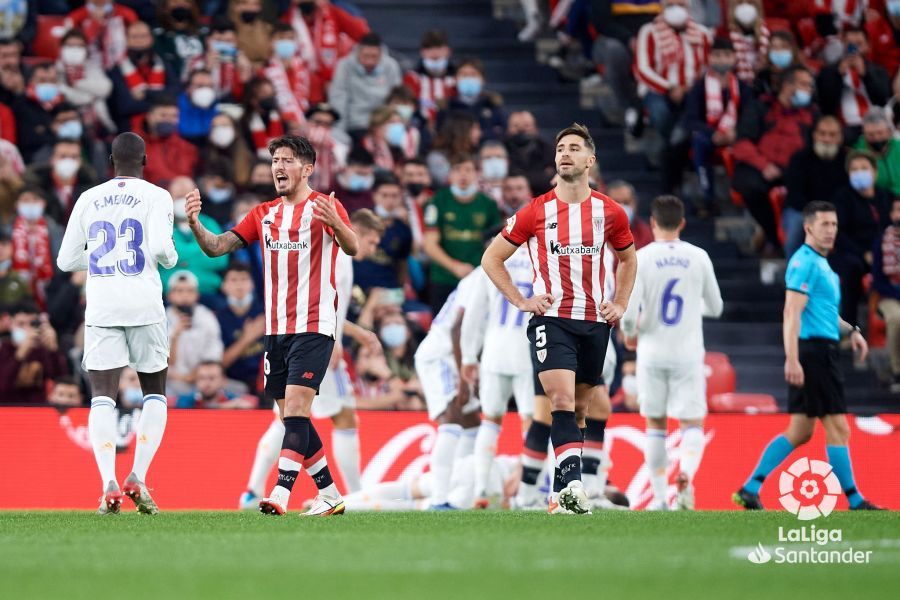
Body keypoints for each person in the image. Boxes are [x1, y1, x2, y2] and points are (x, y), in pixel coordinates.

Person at [185, 134, 359, 516]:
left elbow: (353, 248)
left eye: (287, 160)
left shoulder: (325, 207)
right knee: (290, 416)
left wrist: (339, 225)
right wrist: (196, 224)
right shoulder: (263, 213)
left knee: (296, 409)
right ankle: (329, 493)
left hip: (314, 324)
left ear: (307, 169)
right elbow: (217, 247)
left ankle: (280, 493)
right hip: (276, 328)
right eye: (275, 160)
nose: (278, 166)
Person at [481, 123, 637, 514]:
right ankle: (572, 493)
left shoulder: (610, 211)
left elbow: (628, 258)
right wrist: (520, 299)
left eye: (573, 148)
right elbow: (491, 258)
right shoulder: (536, 210)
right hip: (551, 320)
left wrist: (619, 302)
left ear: (590, 160)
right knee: (561, 401)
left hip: (595, 322)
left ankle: (559, 492)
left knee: (581, 409)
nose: (564, 153)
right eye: (560, 148)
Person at [55, 132, 178, 515]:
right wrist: (170, 260)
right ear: (144, 161)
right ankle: (137, 476)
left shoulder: (88, 198)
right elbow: (159, 249)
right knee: (154, 391)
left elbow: (65, 260)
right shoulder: (157, 196)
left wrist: (97, 263)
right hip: (143, 304)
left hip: (103, 306)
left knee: (102, 396)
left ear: (111, 160)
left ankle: (108, 481)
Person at [734, 201, 883, 512]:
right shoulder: (804, 262)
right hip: (814, 353)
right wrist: (792, 358)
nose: (830, 231)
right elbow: (791, 312)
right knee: (839, 428)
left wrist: (852, 331)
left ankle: (750, 488)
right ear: (808, 227)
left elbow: (825, 313)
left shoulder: (821, 264)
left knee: (801, 431)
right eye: (824, 224)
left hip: (821, 348)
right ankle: (856, 501)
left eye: (834, 225)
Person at [239, 209, 384, 508]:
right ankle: (353, 495)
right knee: (333, 417)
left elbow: (327, 304)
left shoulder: (333, 254)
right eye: (370, 240)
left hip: (311, 337)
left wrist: (354, 333)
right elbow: (327, 304)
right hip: (321, 345)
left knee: (289, 417)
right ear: (352, 228)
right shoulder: (341, 258)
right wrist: (333, 343)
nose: (371, 248)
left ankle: (253, 490)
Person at [620, 195, 723, 510]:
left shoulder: (642, 257)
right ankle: (687, 478)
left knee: (655, 424)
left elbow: (628, 312)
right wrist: (694, 306)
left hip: (652, 351)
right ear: (682, 223)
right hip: (688, 353)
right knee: (691, 423)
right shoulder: (699, 256)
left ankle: (660, 497)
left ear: (652, 223)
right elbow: (716, 308)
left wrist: (630, 336)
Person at [460, 242, 534, 509]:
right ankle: (528, 492)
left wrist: (469, 356)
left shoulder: (493, 260)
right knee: (532, 422)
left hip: (494, 350)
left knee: (490, 420)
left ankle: (482, 488)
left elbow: (475, 313)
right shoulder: (543, 260)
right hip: (529, 351)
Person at [414, 268, 482, 509]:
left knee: (472, 421)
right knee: (451, 416)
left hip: (457, 355)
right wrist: (464, 379)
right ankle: (439, 498)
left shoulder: (485, 276)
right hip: (441, 354)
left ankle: (458, 492)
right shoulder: (482, 278)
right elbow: (456, 328)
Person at [732, 65, 816, 255]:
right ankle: (772, 237)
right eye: (804, 85)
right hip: (763, 166)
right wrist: (764, 166)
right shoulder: (760, 107)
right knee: (749, 185)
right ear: (787, 86)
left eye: (810, 86)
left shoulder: (812, 115)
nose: (809, 90)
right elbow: (742, 142)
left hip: (795, 170)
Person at [634, 0, 712, 191]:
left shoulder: (702, 33)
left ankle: (672, 158)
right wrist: (670, 87)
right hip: (658, 90)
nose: (676, 9)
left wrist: (690, 90)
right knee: (661, 113)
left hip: (692, 92)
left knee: (691, 118)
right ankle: (676, 156)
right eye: (671, 5)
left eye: (681, 4)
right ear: (662, 7)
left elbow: (707, 68)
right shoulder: (649, 31)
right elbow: (642, 69)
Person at [424, 154, 502, 314]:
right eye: (457, 170)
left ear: (477, 174)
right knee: (441, 332)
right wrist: (454, 266)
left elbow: (495, 243)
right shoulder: (437, 201)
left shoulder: (488, 204)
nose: (463, 174)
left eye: (468, 169)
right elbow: (429, 244)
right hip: (444, 278)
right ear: (450, 174)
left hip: (479, 278)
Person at [684, 37, 753, 214]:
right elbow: (691, 119)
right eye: (717, 55)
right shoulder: (699, 87)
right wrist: (712, 132)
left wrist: (735, 132)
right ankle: (708, 199)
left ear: (734, 58)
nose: (722, 60)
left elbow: (750, 118)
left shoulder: (743, 88)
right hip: (708, 135)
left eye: (726, 55)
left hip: (736, 135)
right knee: (699, 142)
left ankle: (743, 198)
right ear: (710, 58)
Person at [828, 151, 891, 326]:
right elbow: (838, 234)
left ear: (874, 171)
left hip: (883, 250)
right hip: (852, 252)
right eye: (854, 169)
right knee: (851, 269)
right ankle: (849, 326)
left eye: (864, 168)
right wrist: (864, 253)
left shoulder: (885, 196)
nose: (859, 172)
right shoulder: (842, 197)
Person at [784, 116, 849, 258]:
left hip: (837, 211)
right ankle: (795, 274)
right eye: (822, 133)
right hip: (803, 211)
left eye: (832, 134)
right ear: (814, 135)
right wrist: (816, 215)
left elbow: (847, 194)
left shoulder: (847, 160)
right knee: (796, 228)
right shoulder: (799, 159)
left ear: (840, 137)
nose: (826, 139)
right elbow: (795, 194)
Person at [816, 26, 891, 140]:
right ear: (843, 44)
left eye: (859, 44)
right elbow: (826, 104)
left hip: (875, 124)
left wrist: (866, 75)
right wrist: (837, 75)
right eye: (850, 44)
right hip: (845, 126)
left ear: (867, 46)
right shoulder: (828, 71)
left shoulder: (879, 71)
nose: (854, 48)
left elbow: (882, 99)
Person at [106, 20, 179, 133]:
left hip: (167, 125)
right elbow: (126, 106)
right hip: (130, 131)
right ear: (127, 40)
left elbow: (175, 93)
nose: (139, 41)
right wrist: (161, 100)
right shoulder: (117, 70)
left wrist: (146, 93)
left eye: (143, 36)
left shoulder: (164, 64)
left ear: (151, 39)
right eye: (134, 37)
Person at [329, 32, 402, 136]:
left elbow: (396, 99)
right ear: (358, 53)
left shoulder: (391, 66)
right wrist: (339, 132)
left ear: (381, 54)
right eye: (366, 56)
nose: (370, 62)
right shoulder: (344, 66)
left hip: (383, 125)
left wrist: (394, 124)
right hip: (355, 125)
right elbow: (339, 99)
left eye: (374, 57)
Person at [166, 270, 224, 397]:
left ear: (197, 295)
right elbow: (162, 362)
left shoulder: (207, 317)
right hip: (171, 382)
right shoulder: (160, 319)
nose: (185, 296)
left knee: (239, 390)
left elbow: (215, 356)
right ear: (169, 295)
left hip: (203, 380)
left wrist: (195, 375)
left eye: (189, 291)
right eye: (179, 291)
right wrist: (175, 336)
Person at [166, 176, 228, 296]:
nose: (183, 202)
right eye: (179, 197)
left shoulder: (210, 223)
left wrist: (180, 258)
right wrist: (202, 251)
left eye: (187, 197)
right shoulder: (161, 224)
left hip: (207, 293)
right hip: (169, 295)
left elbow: (221, 260)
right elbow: (158, 258)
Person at [353, 176, 412, 294]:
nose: (389, 201)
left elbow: (402, 265)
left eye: (394, 196)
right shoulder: (359, 221)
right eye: (384, 195)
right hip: (356, 289)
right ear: (375, 196)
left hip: (388, 290)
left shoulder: (403, 229)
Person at [0, 303, 68, 404]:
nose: (27, 329)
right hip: (7, 410)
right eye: (21, 324)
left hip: (37, 410)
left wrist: (53, 349)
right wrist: (20, 354)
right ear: (11, 324)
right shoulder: (3, 349)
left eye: (31, 324)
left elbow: (62, 380)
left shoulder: (41, 351)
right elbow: (3, 385)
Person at [216, 262, 265, 393]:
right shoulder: (218, 318)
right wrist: (247, 338)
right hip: (231, 383)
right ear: (224, 286)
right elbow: (220, 363)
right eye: (233, 280)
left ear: (252, 284)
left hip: (265, 380)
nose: (239, 285)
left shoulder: (265, 314)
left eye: (244, 279)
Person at [438, 57, 506, 141]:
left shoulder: (492, 104)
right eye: (464, 75)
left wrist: (481, 135)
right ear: (455, 79)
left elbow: (501, 132)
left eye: (473, 75)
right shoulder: (447, 106)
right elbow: (441, 134)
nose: (468, 78)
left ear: (483, 79)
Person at [872, 197, 900, 392]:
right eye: (898, 210)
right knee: (897, 318)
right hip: (888, 295)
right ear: (891, 215)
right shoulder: (882, 241)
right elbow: (878, 280)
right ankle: (897, 371)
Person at [139, 96, 199, 187]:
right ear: (149, 117)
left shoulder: (188, 148)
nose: (168, 120)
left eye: (174, 116)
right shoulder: (136, 148)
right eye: (163, 115)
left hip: (182, 197)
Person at [403, 29, 456, 127]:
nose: (435, 53)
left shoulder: (457, 78)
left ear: (448, 51)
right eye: (429, 48)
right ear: (422, 52)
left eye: (439, 47)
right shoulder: (412, 78)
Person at [854, 107, 900, 196]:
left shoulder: (898, 147)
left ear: (888, 131)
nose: (876, 138)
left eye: (880, 133)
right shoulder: (858, 154)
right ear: (864, 134)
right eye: (870, 134)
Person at [175, 361, 258, 409]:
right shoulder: (185, 400)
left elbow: (247, 406)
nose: (207, 383)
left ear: (223, 381)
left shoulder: (231, 398)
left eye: (212, 378)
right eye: (202, 378)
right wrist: (224, 407)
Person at [726, 0, 769, 84]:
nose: (745, 7)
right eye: (740, 3)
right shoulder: (725, 34)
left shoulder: (766, 33)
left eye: (750, 3)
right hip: (737, 83)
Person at [607, 180, 653, 249]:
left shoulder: (646, 233)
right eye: (616, 203)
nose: (622, 208)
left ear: (635, 203)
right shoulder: (596, 234)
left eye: (626, 203)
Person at [177, 68, 218, 145]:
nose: (205, 90)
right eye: (200, 86)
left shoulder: (218, 110)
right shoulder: (175, 108)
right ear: (188, 88)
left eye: (210, 86)